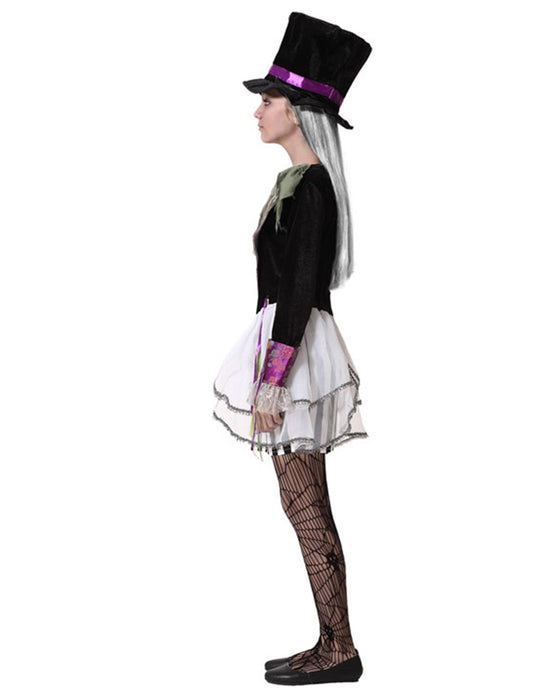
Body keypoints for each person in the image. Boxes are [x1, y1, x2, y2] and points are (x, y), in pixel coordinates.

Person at [212, 12, 372, 685]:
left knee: (306, 506)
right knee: (301, 503)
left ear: (299, 113)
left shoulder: (311, 189)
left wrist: (274, 382)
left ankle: (338, 648)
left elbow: (301, 287)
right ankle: (331, 641)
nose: (258, 111)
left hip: (296, 351)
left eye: (269, 101)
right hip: (288, 345)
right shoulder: (297, 185)